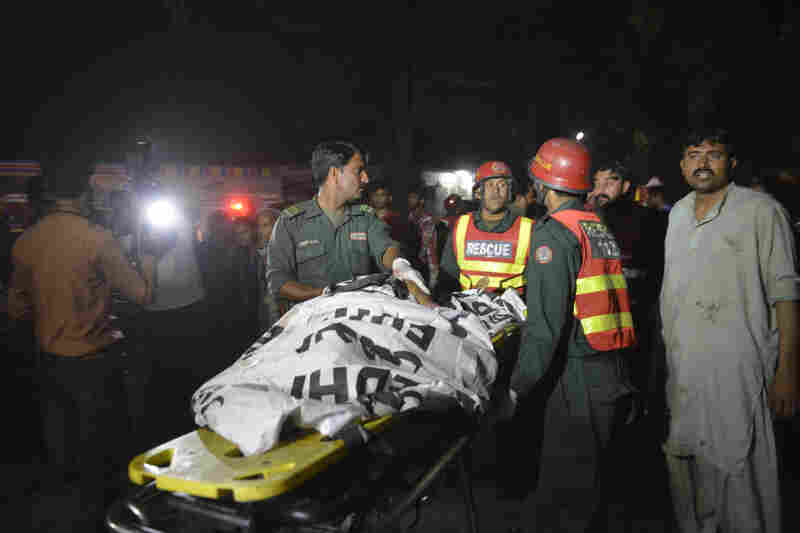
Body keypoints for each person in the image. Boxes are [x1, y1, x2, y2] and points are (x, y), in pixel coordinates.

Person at [7, 158, 159, 532]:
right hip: (94, 362)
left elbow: (15, 307)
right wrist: (150, 258)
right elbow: (142, 294)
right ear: (82, 193)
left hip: (47, 361)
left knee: (63, 452)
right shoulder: (97, 238)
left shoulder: (27, 241)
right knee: (101, 458)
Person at [660, 128, 799, 533]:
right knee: (689, 476)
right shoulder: (679, 213)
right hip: (685, 371)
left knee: (743, 480)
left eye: (713, 154)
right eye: (693, 155)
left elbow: (786, 295)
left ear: (731, 163)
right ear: (683, 164)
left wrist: (787, 372)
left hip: (739, 371)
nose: (702, 163)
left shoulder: (761, 211)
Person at [501, 138, 637, 532]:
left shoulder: (553, 234)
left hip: (578, 375)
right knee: (592, 488)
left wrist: (517, 388)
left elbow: (545, 327)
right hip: (612, 368)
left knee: (568, 497)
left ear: (544, 184)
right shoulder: (594, 223)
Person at [267, 140, 429, 307]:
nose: (366, 178)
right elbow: (278, 282)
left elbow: (386, 247)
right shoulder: (291, 222)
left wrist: (400, 265)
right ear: (335, 173)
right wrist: (325, 294)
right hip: (312, 322)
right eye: (358, 171)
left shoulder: (365, 217)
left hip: (357, 319)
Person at [589, 161, 668, 396]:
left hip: (635, 319)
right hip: (594, 321)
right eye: (597, 182)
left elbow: (657, 270)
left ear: (625, 186)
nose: (601, 189)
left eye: (609, 182)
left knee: (633, 382)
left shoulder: (649, 220)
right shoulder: (586, 218)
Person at [438, 161, 534, 294]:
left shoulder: (529, 230)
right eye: (489, 185)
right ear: (478, 193)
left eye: (502, 184)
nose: (496, 191)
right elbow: (446, 280)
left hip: (513, 313)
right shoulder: (461, 227)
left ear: (510, 193)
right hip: (467, 313)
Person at [407, 187, 440, 289]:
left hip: (429, 262)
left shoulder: (427, 219)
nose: (410, 200)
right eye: (409, 197)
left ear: (421, 201)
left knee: (429, 290)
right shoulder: (411, 216)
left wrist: (418, 258)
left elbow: (426, 242)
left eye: (413, 197)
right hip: (417, 260)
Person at [256, 206, 280, 331]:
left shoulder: (288, 246)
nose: (261, 230)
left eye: (265, 225)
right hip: (269, 305)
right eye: (259, 226)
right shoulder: (261, 251)